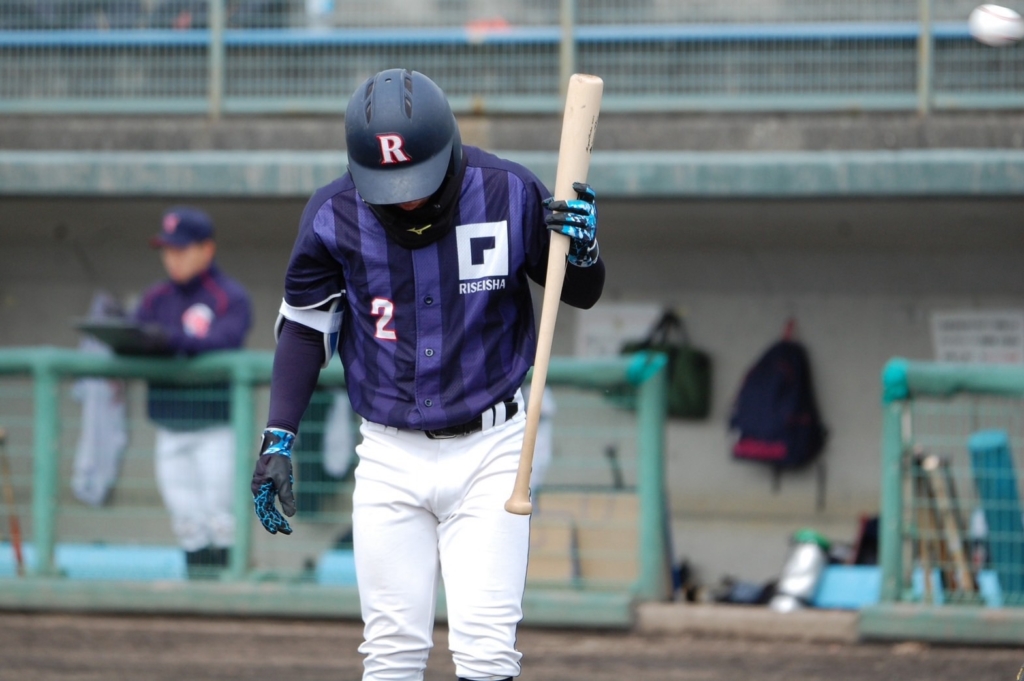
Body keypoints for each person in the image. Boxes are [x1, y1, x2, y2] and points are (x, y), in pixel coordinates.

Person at [250, 68, 604, 681]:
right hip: (389, 452)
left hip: (492, 447)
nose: (406, 198)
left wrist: (585, 253)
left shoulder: (509, 191)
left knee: (487, 652)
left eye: (416, 178)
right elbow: (307, 328)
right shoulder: (333, 214)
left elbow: (580, 293)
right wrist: (278, 435)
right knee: (390, 652)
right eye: (388, 184)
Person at [134, 206, 252, 579]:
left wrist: (168, 340)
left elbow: (225, 340)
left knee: (220, 517)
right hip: (169, 424)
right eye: (168, 250)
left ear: (206, 249)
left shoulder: (228, 296)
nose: (173, 258)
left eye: (181, 249)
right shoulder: (155, 298)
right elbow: (135, 335)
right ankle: (199, 594)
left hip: (215, 426)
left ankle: (228, 595)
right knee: (186, 520)